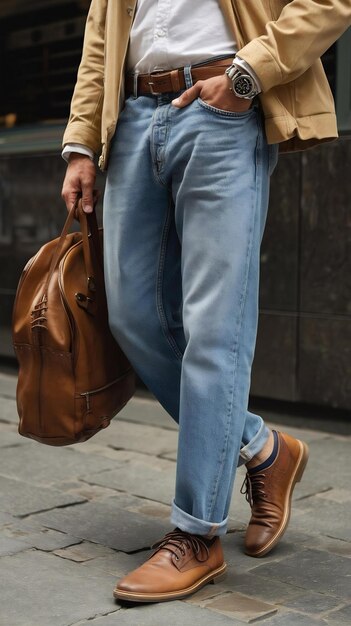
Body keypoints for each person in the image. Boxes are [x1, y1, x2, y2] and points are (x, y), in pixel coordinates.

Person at [61, 0, 351, 604]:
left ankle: (197, 534)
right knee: (132, 316)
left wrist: (250, 75)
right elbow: (100, 39)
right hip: (135, 114)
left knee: (215, 327)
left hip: (223, 104)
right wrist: (83, 141)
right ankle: (264, 448)